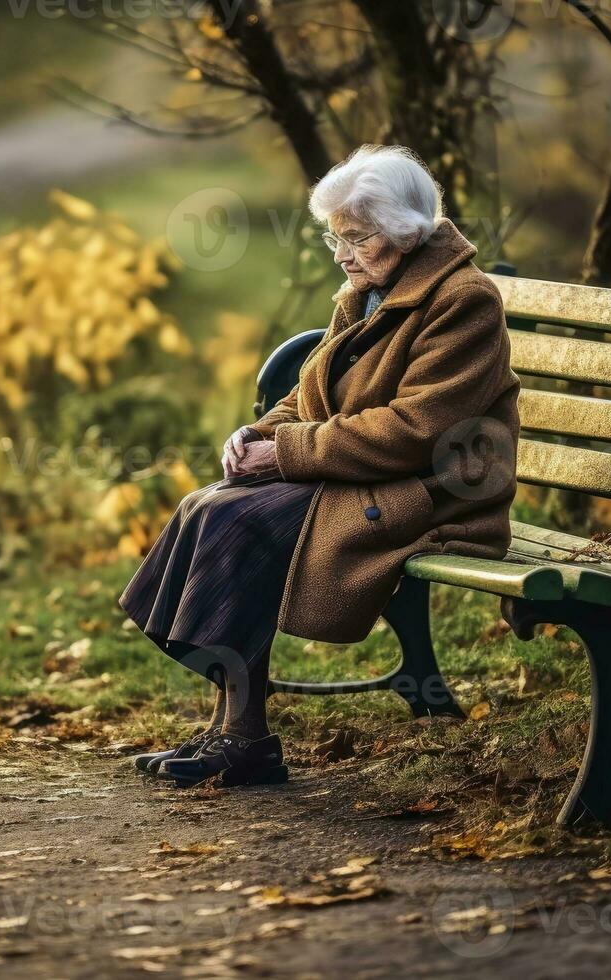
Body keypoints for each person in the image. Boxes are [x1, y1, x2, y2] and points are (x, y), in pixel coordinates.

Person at [118, 144, 521, 788]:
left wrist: (290, 454)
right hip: (364, 473)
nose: (342, 253)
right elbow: (311, 396)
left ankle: (245, 738)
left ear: (404, 231)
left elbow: (421, 431)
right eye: (335, 237)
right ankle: (230, 729)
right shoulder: (365, 291)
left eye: (356, 237)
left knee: (241, 522)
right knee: (208, 504)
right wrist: (259, 433)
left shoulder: (461, 301)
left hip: (432, 489)